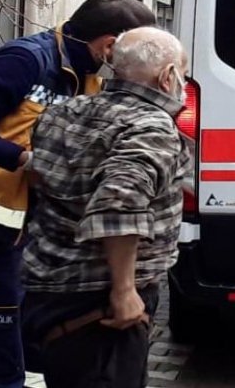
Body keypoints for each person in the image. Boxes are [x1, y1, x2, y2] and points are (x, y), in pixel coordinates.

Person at [0, 0, 156, 388]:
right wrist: (26, 160)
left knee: (31, 349)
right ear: (110, 45)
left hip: (23, 226)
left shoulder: (92, 74)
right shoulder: (26, 59)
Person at [20, 27, 191, 388]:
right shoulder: (151, 125)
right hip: (100, 306)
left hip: (52, 291)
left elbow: (38, 177)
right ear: (168, 76)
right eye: (183, 73)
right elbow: (118, 205)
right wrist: (124, 291)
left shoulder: (65, 111)